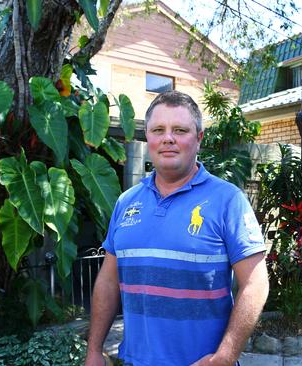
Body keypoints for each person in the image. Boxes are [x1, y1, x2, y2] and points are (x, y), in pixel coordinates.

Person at [84, 90, 269, 366]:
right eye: (158, 129)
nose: (168, 138)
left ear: (199, 138)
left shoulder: (227, 200)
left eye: (180, 130)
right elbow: (109, 281)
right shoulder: (126, 202)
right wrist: (94, 350)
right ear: (147, 136)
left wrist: (224, 357)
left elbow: (256, 283)